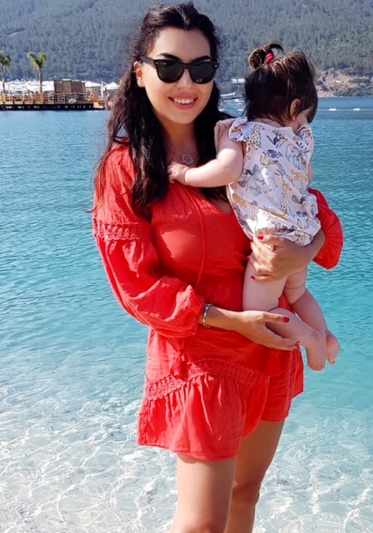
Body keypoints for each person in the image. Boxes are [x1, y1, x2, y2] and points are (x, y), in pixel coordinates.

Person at [92, 3, 343, 532]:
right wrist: (232, 321)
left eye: (201, 69)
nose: (186, 83)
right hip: (202, 359)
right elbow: (137, 289)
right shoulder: (128, 169)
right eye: (169, 67)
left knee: (245, 496)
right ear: (140, 72)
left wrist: (302, 252)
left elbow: (313, 209)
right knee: (201, 524)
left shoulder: (239, 138)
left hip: (270, 352)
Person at [168, 43, 340, 372]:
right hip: (303, 232)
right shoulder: (301, 139)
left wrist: (185, 174)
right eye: (305, 116)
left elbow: (227, 170)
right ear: (295, 106)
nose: (303, 123)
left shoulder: (240, 132)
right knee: (299, 295)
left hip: (270, 240)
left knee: (259, 309)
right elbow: (307, 176)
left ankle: (311, 339)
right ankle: (327, 335)